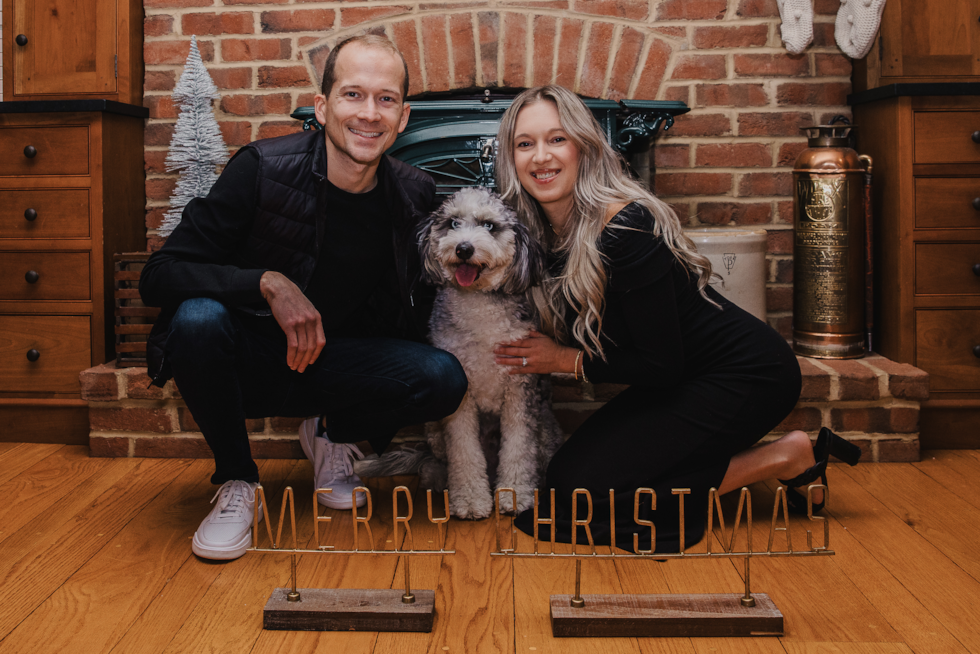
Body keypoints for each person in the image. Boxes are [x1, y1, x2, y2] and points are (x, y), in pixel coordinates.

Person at [139, 35, 467, 561]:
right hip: (249, 360)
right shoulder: (262, 169)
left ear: (403, 118)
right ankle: (238, 483)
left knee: (444, 377)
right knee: (197, 319)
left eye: (385, 99)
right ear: (322, 107)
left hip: (336, 365)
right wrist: (266, 281)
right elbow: (159, 276)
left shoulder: (415, 193)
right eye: (352, 95)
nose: (369, 114)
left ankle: (333, 433)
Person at [492, 85, 859, 553]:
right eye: (525, 144)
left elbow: (660, 364)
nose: (541, 157)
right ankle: (781, 457)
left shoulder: (625, 229)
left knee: (581, 501)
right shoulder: (541, 231)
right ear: (511, 157)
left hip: (745, 375)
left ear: (583, 146)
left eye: (556, 139)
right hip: (678, 378)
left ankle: (784, 457)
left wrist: (563, 359)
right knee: (567, 481)